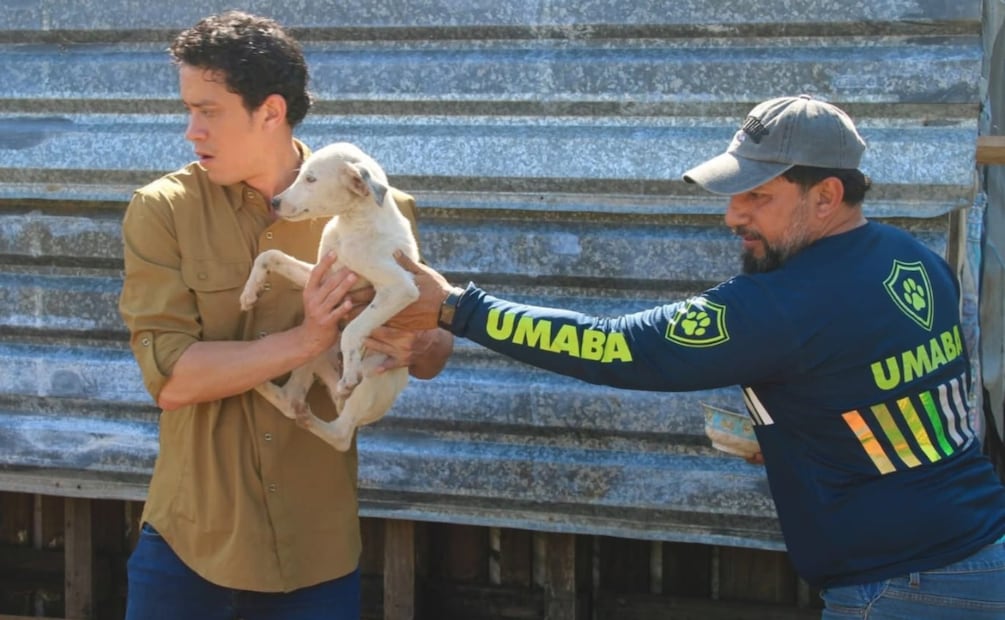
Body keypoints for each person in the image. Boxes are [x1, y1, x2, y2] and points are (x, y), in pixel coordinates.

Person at [386, 95, 1005, 618]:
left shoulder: (784, 302)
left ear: (826, 196)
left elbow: (619, 346)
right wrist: (797, 434)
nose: (733, 214)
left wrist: (458, 309)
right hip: (983, 554)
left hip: (906, 589)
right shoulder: (912, 259)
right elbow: (890, 393)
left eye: (757, 196)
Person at [117, 11, 453, 620]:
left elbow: (430, 348)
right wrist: (310, 339)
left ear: (270, 112)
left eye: (208, 111)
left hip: (317, 552)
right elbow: (172, 380)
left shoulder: (376, 203)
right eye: (188, 110)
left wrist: (418, 347)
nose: (191, 131)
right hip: (193, 546)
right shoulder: (161, 210)